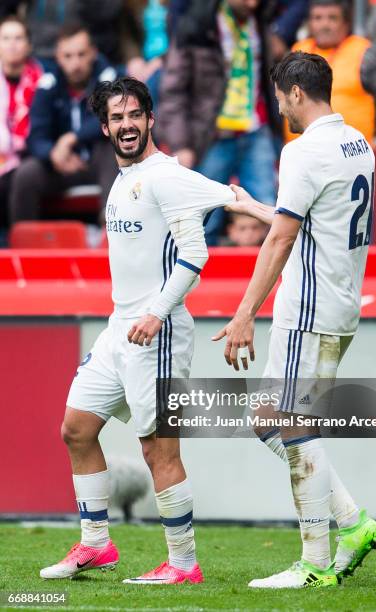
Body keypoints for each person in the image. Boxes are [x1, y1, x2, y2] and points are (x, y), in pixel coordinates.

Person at [39, 76, 235, 583]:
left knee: (159, 450)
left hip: (159, 330)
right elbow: (224, 194)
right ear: (105, 128)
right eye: (116, 118)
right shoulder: (125, 178)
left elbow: (196, 254)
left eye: (134, 115)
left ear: (150, 119)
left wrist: (156, 313)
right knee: (76, 429)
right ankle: (97, 544)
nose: (126, 125)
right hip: (118, 329)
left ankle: (184, 565)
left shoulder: (164, 175)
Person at [213, 51, 376, 589]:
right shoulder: (358, 144)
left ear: (293, 92)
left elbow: (284, 238)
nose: (280, 106)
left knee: (291, 424)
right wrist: (256, 206)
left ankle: (314, 562)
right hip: (339, 304)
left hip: (308, 309)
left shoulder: (302, 151)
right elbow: (314, 218)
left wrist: (244, 314)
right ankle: (353, 522)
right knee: (269, 420)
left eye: (280, 96)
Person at [158, 0, 308, 245]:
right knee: (206, 220)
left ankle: (272, 282)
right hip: (212, 137)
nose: (252, 3)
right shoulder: (197, 26)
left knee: (271, 215)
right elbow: (172, 91)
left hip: (256, 131)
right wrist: (181, 144)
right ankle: (203, 282)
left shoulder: (259, 22)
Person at [8, 23, 118, 225]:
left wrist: (72, 138)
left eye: (81, 54)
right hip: (61, 165)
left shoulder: (111, 79)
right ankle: (23, 245)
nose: (75, 63)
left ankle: (112, 228)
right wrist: (52, 154)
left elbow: (114, 118)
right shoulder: (48, 83)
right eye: (68, 56)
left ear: (93, 53)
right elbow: (36, 135)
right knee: (26, 173)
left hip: (100, 165)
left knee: (113, 148)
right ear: (58, 57)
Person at [285, 0, 376, 144]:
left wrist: (359, 137)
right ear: (309, 24)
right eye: (317, 18)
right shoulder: (296, 52)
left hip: (352, 160)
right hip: (303, 158)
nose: (324, 25)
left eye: (332, 18)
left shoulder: (364, 53)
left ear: (346, 23)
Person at [0, 15, 42, 234]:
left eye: (18, 38)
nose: (12, 44)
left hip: (31, 153)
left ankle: (19, 245)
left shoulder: (43, 80)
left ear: (28, 45)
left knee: (22, 177)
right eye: (6, 38)